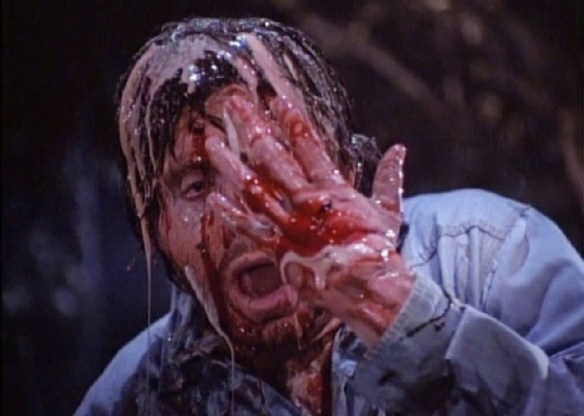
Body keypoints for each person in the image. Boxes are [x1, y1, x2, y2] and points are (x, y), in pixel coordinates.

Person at [75, 17, 584, 415]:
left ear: (345, 165)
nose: (244, 210)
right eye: (197, 184)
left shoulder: (489, 254)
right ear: (157, 229)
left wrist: (405, 317)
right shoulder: (138, 394)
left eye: (270, 155)